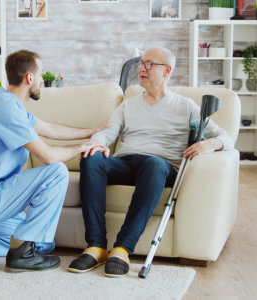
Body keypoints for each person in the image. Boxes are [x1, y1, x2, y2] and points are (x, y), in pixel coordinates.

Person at [67, 46, 234, 278]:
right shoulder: (128, 105)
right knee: (91, 157)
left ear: (167, 70)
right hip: (126, 163)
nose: (141, 69)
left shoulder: (186, 106)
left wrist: (210, 144)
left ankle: (122, 249)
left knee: (154, 164)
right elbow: (108, 132)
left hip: (160, 167)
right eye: (141, 63)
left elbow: (225, 136)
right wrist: (98, 142)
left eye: (149, 64)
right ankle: (96, 246)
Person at [0, 50, 106, 273]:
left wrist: (92, 132)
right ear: (29, 78)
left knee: (43, 244)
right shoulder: (5, 108)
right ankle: (21, 257)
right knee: (57, 171)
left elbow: (50, 129)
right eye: (40, 74)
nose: (42, 80)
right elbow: (48, 155)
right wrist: (82, 148)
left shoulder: (9, 103)